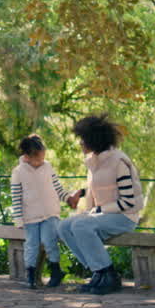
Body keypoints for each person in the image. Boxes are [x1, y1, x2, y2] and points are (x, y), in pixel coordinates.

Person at [58, 115, 142, 295]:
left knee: (81, 224)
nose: (81, 143)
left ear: (93, 140)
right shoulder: (95, 162)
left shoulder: (119, 162)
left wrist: (96, 211)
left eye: (83, 139)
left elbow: (128, 201)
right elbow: (102, 188)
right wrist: (81, 193)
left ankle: (109, 275)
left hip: (125, 217)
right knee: (64, 226)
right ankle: (98, 272)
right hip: (104, 216)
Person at [9, 134, 81, 289]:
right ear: (27, 156)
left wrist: (68, 199)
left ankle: (56, 271)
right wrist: (19, 219)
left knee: (50, 243)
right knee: (31, 245)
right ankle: (30, 275)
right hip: (30, 216)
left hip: (50, 213)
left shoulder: (48, 167)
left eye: (43, 158)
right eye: (38, 159)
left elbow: (57, 188)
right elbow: (16, 197)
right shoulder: (18, 172)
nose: (41, 161)